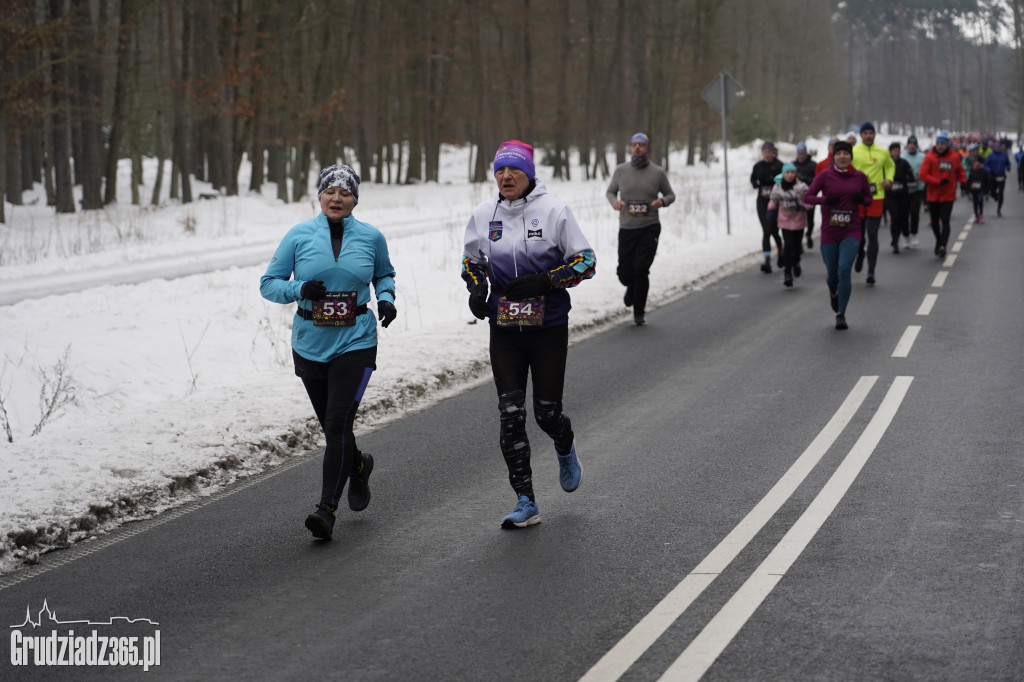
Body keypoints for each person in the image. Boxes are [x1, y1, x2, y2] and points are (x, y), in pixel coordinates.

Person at [260, 164, 398, 541]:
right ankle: (357, 465)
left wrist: (385, 299)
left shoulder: (371, 237)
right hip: (309, 344)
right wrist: (299, 289)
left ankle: (326, 510)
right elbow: (268, 285)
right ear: (320, 196)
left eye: (345, 193)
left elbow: (384, 274)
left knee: (337, 424)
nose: (337, 198)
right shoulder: (298, 235)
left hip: (356, 341)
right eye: (330, 192)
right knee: (332, 427)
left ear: (355, 199)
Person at [462, 140, 596, 529]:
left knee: (546, 413)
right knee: (510, 414)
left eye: (514, 171)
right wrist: (476, 289)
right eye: (500, 170)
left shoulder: (555, 211)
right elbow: (472, 261)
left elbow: (586, 262)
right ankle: (526, 501)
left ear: (529, 175)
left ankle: (564, 443)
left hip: (547, 326)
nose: (505, 177)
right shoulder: (485, 214)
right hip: (505, 329)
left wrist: (546, 279)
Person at [605, 132, 675, 326]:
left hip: (649, 227)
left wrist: (663, 201)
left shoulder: (657, 172)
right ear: (630, 148)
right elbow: (610, 191)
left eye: (641, 145)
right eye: (634, 145)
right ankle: (631, 287)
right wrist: (615, 202)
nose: (637, 148)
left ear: (647, 148)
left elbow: (671, 195)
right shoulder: (621, 171)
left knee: (641, 269)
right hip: (627, 227)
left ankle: (639, 311)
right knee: (624, 272)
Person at [803, 140, 873, 330]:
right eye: (839, 153)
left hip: (851, 230)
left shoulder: (860, 177)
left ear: (851, 156)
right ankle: (834, 293)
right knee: (832, 276)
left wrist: (861, 199)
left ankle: (841, 313)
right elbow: (808, 196)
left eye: (846, 153)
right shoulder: (825, 175)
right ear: (834, 156)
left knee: (844, 270)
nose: (842, 157)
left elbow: (868, 200)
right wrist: (825, 200)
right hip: (829, 231)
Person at [851, 121, 894, 286]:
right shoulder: (854, 151)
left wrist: (888, 179)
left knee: (873, 234)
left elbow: (890, 166)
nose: (868, 136)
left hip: (876, 197)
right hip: (858, 198)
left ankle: (871, 271)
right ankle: (860, 253)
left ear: (874, 134)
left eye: (871, 133)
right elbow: (847, 169)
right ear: (861, 135)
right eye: (865, 133)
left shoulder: (882, 152)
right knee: (859, 235)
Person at [918, 130, 967, 258]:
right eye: (938, 144)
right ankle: (938, 240)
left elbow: (960, 171)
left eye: (943, 144)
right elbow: (923, 175)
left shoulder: (954, 157)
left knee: (945, 220)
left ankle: (943, 246)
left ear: (947, 145)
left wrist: (963, 182)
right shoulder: (930, 157)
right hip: (933, 194)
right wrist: (938, 181)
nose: (940, 146)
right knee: (934, 222)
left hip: (948, 195)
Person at [767, 163, 808, 287]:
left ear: (795, 174)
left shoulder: (801, 187)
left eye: (792, 172)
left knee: (796, 248)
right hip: (784, 222)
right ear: (783, 174)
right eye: (787, 172)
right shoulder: (778, 187)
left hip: (799, 222)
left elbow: (810, 201)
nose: (790, 175)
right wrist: (770, 213)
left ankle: (796, 262)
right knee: (788, 246)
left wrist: (803, 206)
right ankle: (787, 274)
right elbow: (773, 202)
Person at [750, 141, 784, 273]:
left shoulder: (780, 165)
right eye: (764, 152)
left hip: (777, 202)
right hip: (762, 201)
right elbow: (752, 178)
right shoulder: (758, 166)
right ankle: (767, 261)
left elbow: (787, 180)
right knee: (766, 229)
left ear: (773, 153)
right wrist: (755, 184)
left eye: (769, 152)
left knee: (774, 231)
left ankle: (781, 253)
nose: (767, 155)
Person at [884, 141, 915, 253]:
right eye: (894, 151)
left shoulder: (904, 163)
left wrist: (907, 180)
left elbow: (911, 178)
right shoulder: (886, 164)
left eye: (898, 150)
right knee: (895, 217)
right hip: (890, 195)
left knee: (903, 218)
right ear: (890, 152)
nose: (896, 153)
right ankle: (895, 241)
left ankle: (906, 235)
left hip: (903, 195)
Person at [902, 135, 926, 248]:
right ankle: (906, 236)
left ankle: (914, 234)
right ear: (907, 145)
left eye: (914, 144)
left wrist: (921, 175)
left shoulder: (922, 156)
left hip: (917, 188)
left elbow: (926, 169)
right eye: (910, 144)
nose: (912, 146)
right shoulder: (902, 156)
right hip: (904, 190)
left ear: (916, 146)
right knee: (904, 214)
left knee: (914, 212)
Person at [793, 142, 817, 248]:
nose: (801, 156)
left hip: (810, 195)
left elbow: (817, 181)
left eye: (802, 153)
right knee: (799, 219)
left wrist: (805, 179)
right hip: (797, 197)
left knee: (810, 219)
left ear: (806, 153)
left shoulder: (813, 165)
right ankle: (799, 241)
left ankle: (809, 234)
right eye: (799, 153)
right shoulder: (793, 165)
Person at [983, 141, 1010, 216]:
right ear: (994, 148)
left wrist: (1008, 167)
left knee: (1001, 193)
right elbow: (986, 165)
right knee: (992, 191)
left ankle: (999, 209)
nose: (998, 148)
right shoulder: (990, 156)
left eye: (999, 147)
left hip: (1001, 177)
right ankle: (995, 196)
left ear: (1001, 148)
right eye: (996, 147)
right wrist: (989, 170)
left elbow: (1008, 163)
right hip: (992, 177)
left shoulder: (1004, 155)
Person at [966, 157, 989, 223]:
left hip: (981, 189)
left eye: (978, 162)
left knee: (980, 200)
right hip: (974, 189)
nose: (977, 163)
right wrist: (968, 190)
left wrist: (987, 190)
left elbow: (986, 180)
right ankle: (976, 216)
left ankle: (981, 215)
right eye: (976, 162)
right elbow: (969, 181)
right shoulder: (972, 171)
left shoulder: (983, 171)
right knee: (975, 203)